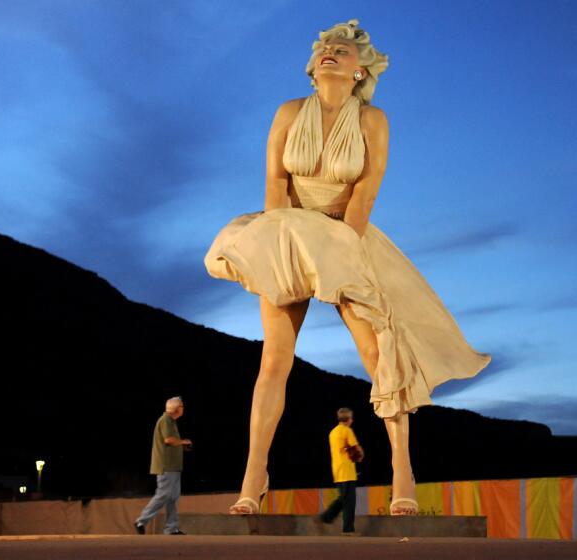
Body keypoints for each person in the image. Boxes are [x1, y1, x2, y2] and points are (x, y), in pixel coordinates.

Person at [205, 19, 490, 516]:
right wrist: (279, 243)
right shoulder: (290, 111)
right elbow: (275, 182)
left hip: (345, 235)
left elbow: (365, 192)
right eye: (325, 50)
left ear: (360, 71)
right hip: (289, 231)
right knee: (274, 358)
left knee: (379, 355)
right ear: (314, 67)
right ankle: (254, 476)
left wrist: (342, 252)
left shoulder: (373, 119)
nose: (331, 53)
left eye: (343, 50)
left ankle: (403, 470)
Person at [134, 397, 192, 535]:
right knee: (163, 495)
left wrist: (182, 446)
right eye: (182, 406)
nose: (183, 408)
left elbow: (171, 442)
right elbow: (168, 439)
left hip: (174, 466)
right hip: (166, 466)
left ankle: (171, 528)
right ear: (176, 408)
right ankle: (141, 521)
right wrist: (183, 442)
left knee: (173, 498)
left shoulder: (171, 421)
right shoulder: (166, 420)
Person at [320, 408, 361, 533]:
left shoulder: (332, 432)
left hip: (337, 471)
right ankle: (346, 528)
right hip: (347, 471)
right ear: (349, 420)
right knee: (349, 502)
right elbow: (356, 450)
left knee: (343, 499)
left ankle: (327, 517)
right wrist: (360, 455)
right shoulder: (347, 431)